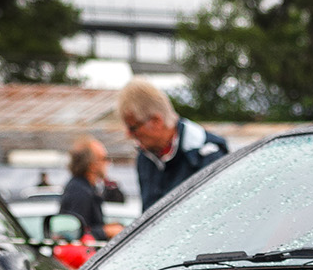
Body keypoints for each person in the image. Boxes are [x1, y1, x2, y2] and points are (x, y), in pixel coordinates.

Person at [119, 78, 229, 211]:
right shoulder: (145, 157)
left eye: (133, 127)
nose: (128, 134)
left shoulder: (208, 154)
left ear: (156, 121)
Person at [58, 139, 119, 240]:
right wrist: (106, 231)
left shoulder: (86, 187)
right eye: (104, 158)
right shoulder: (79, 191)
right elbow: (75, 235)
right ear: (92, 165)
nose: (108, 162)